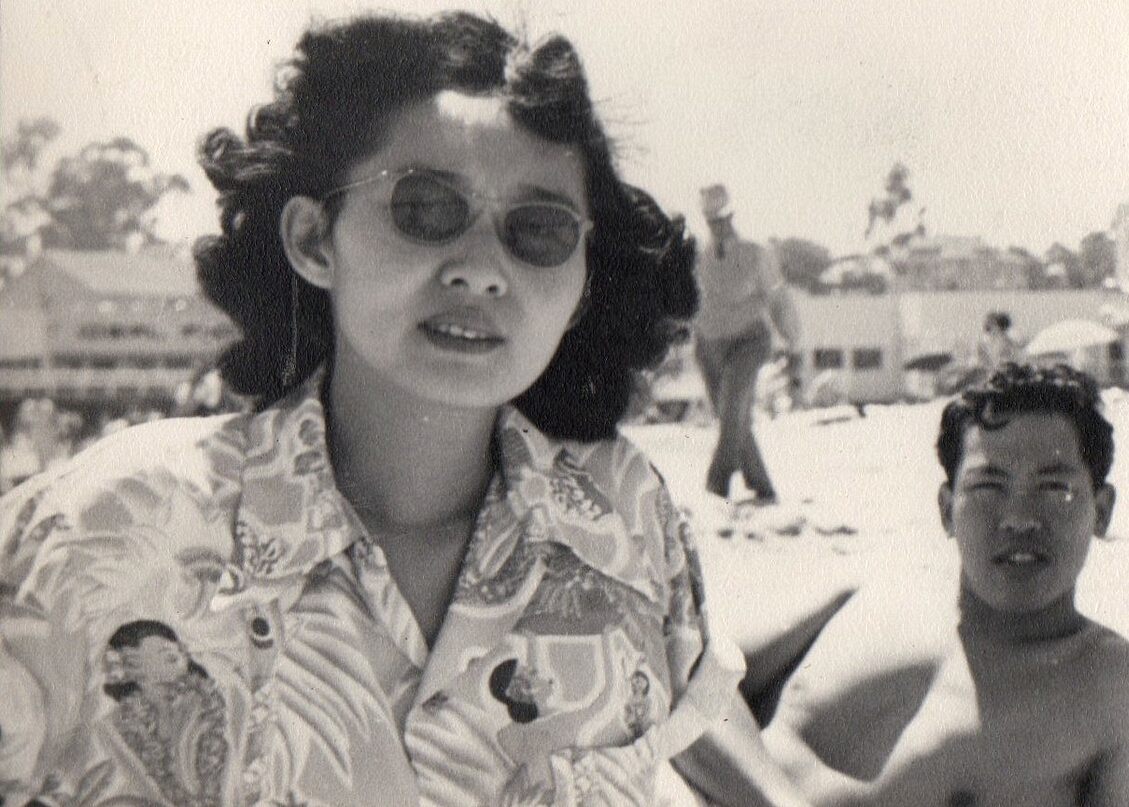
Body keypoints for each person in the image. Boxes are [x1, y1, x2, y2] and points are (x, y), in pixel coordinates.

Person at [0, 12, 799, 807]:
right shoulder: (99, 531)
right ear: (315, 241)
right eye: (424, 208)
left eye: (540, 230)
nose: (484, 270)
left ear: (584, 276)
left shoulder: (628, 515)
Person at [758, 363, 1129, 806]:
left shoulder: (1124, 691)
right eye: (988, 487)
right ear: (946, 509)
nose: (1020, 519)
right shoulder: (855, 602)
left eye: (1053, 488)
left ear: (1101, 511)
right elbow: (690, 690)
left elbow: (697, 716)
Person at [692, 184, 801, 503]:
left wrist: (793, 340)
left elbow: (778, 299)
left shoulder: (755, 254)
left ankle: (716, 485)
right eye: (712, 220)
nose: (718, 226)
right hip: (708, 347)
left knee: (732, 411)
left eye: (723, 218)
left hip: (748, 343)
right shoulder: (699, 258)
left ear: (732, 216)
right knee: (733, 419)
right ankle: (762, 487)